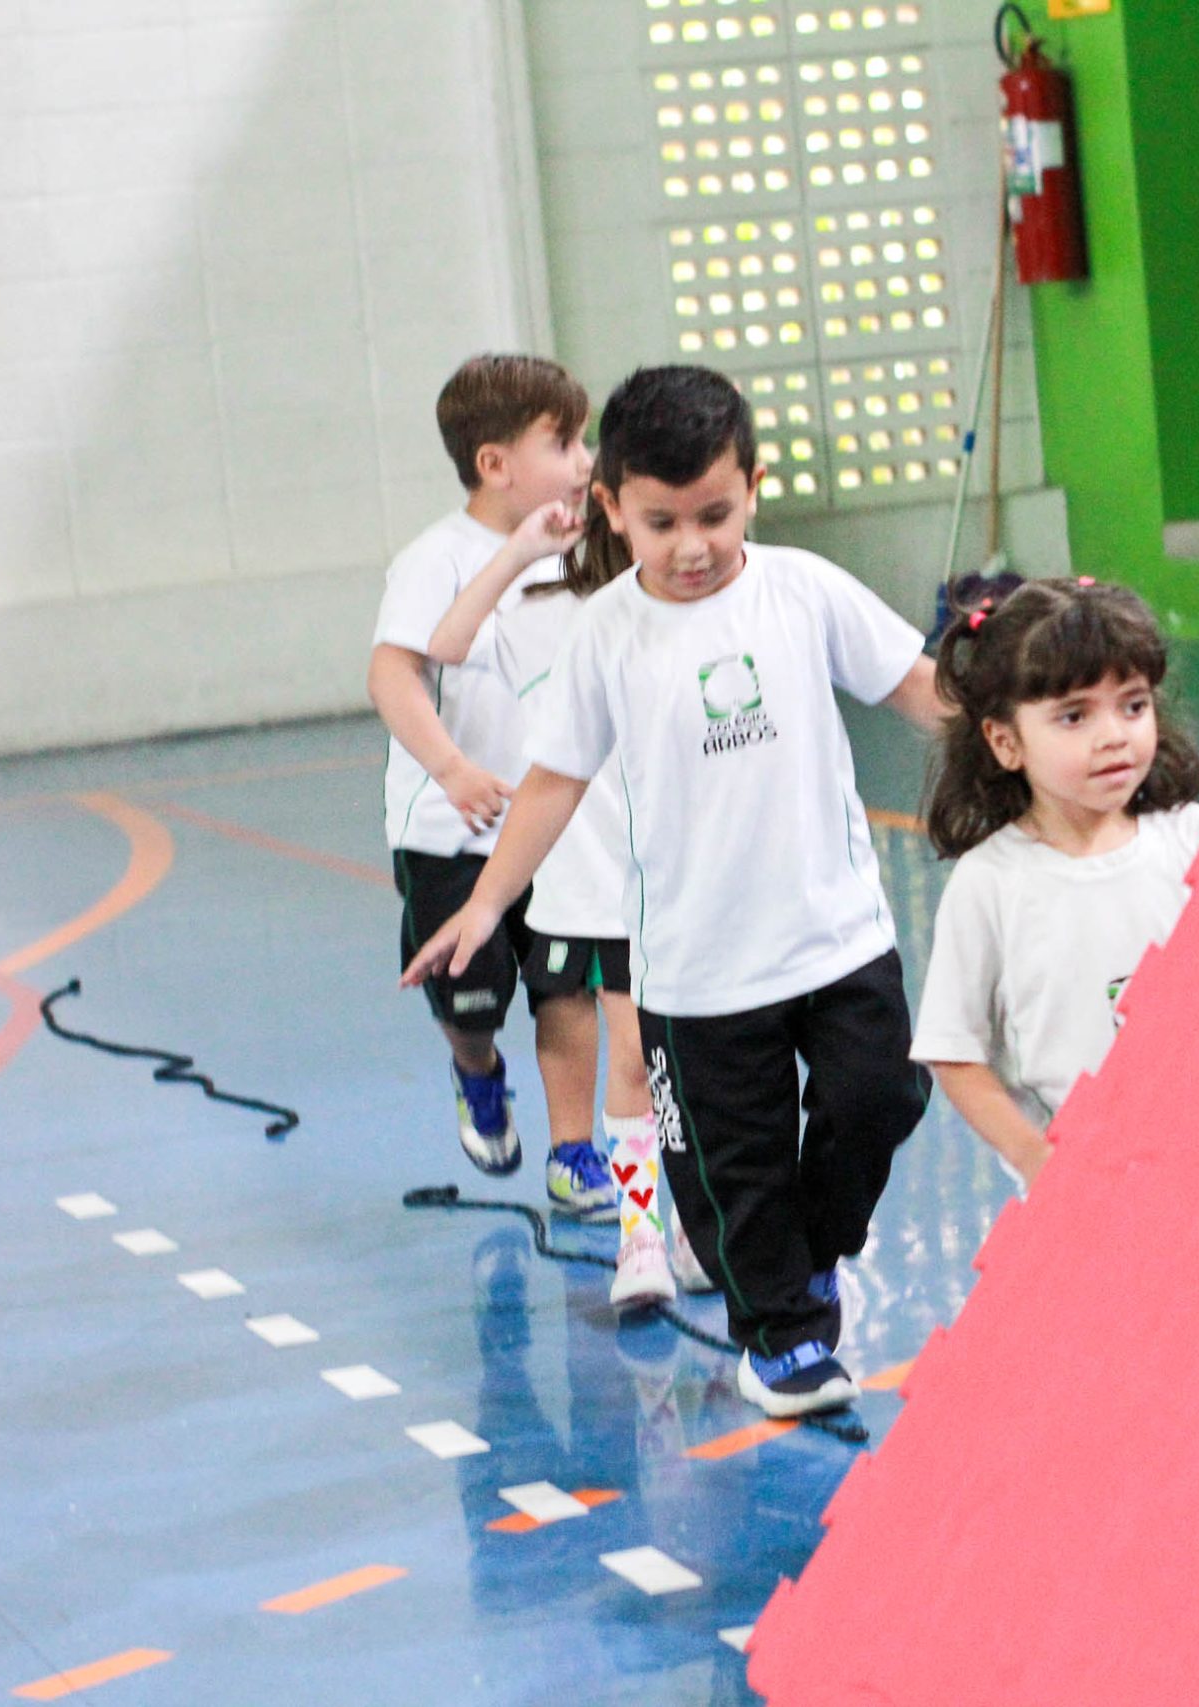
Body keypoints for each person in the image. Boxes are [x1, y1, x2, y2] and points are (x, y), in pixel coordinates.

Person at [403, 365, 941, 1419]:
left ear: (753, 488)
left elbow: (918, 686)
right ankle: (782, 1340)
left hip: (837, 938)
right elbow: (553, 781)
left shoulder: (803, 590)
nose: (693, 545)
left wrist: (1022, 745)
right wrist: (486, 902)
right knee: (738, 1172)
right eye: (662, 522)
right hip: (697, 973)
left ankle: (815, 1252)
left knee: (878, 1100)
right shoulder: (606, 632)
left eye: (715, 515)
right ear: (611, 507)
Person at [423, 499, 715, 1312]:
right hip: (586, 882)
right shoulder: (537, 613)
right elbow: (445, 645)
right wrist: (520, 551)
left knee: (684, 1060)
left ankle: (690, 1220)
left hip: (679, 872)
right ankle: (641, 1233)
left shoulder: (677, 613)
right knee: (634, 1056)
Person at [368, 354, 614, 1215]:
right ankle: (476, 1071)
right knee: (471, 1001)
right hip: (454, 830)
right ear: (495, 462)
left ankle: (574, 1151)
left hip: (555, 825)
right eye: (564, 442)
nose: (584, 459)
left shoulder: (586, 545)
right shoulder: (434, 559)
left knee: (567, 985)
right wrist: (452, 767)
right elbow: (393, 674)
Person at [912, 578, 1199, 1191]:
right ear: (1006, 742)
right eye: (1075, 716)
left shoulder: (1196, 839)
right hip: (1084, 1190)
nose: (1114, 735)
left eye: (1133, 706)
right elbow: (954, 1051)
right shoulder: (990, 884)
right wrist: (1034, 1156)